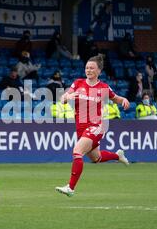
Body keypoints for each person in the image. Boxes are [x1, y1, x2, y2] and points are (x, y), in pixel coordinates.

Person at [55, 55, 130, 197]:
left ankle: (70, 188)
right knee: (97, 158)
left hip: (97, 126)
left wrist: (124, 100)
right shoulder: (77, 83)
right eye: (87, 68)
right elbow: (62, 98)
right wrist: (66, 97)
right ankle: (117, 156)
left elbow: (116, 98)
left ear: (99, 71)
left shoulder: (103, 87)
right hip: (81, 128)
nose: (88, 70)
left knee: (77, 151)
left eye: (92, 68)